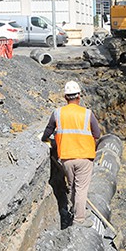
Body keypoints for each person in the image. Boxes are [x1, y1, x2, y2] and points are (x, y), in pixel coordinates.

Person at [41, 80, 101, 228]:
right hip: (84, 157)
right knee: (81, 189)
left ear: (65, 97)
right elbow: (97, 134)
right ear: (79, 96)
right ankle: (80, 220)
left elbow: (48, 131)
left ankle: (76, 211)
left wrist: (45, 140)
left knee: (74, 187)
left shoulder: (58, 113)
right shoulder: (87, 114)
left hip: (67, 157)